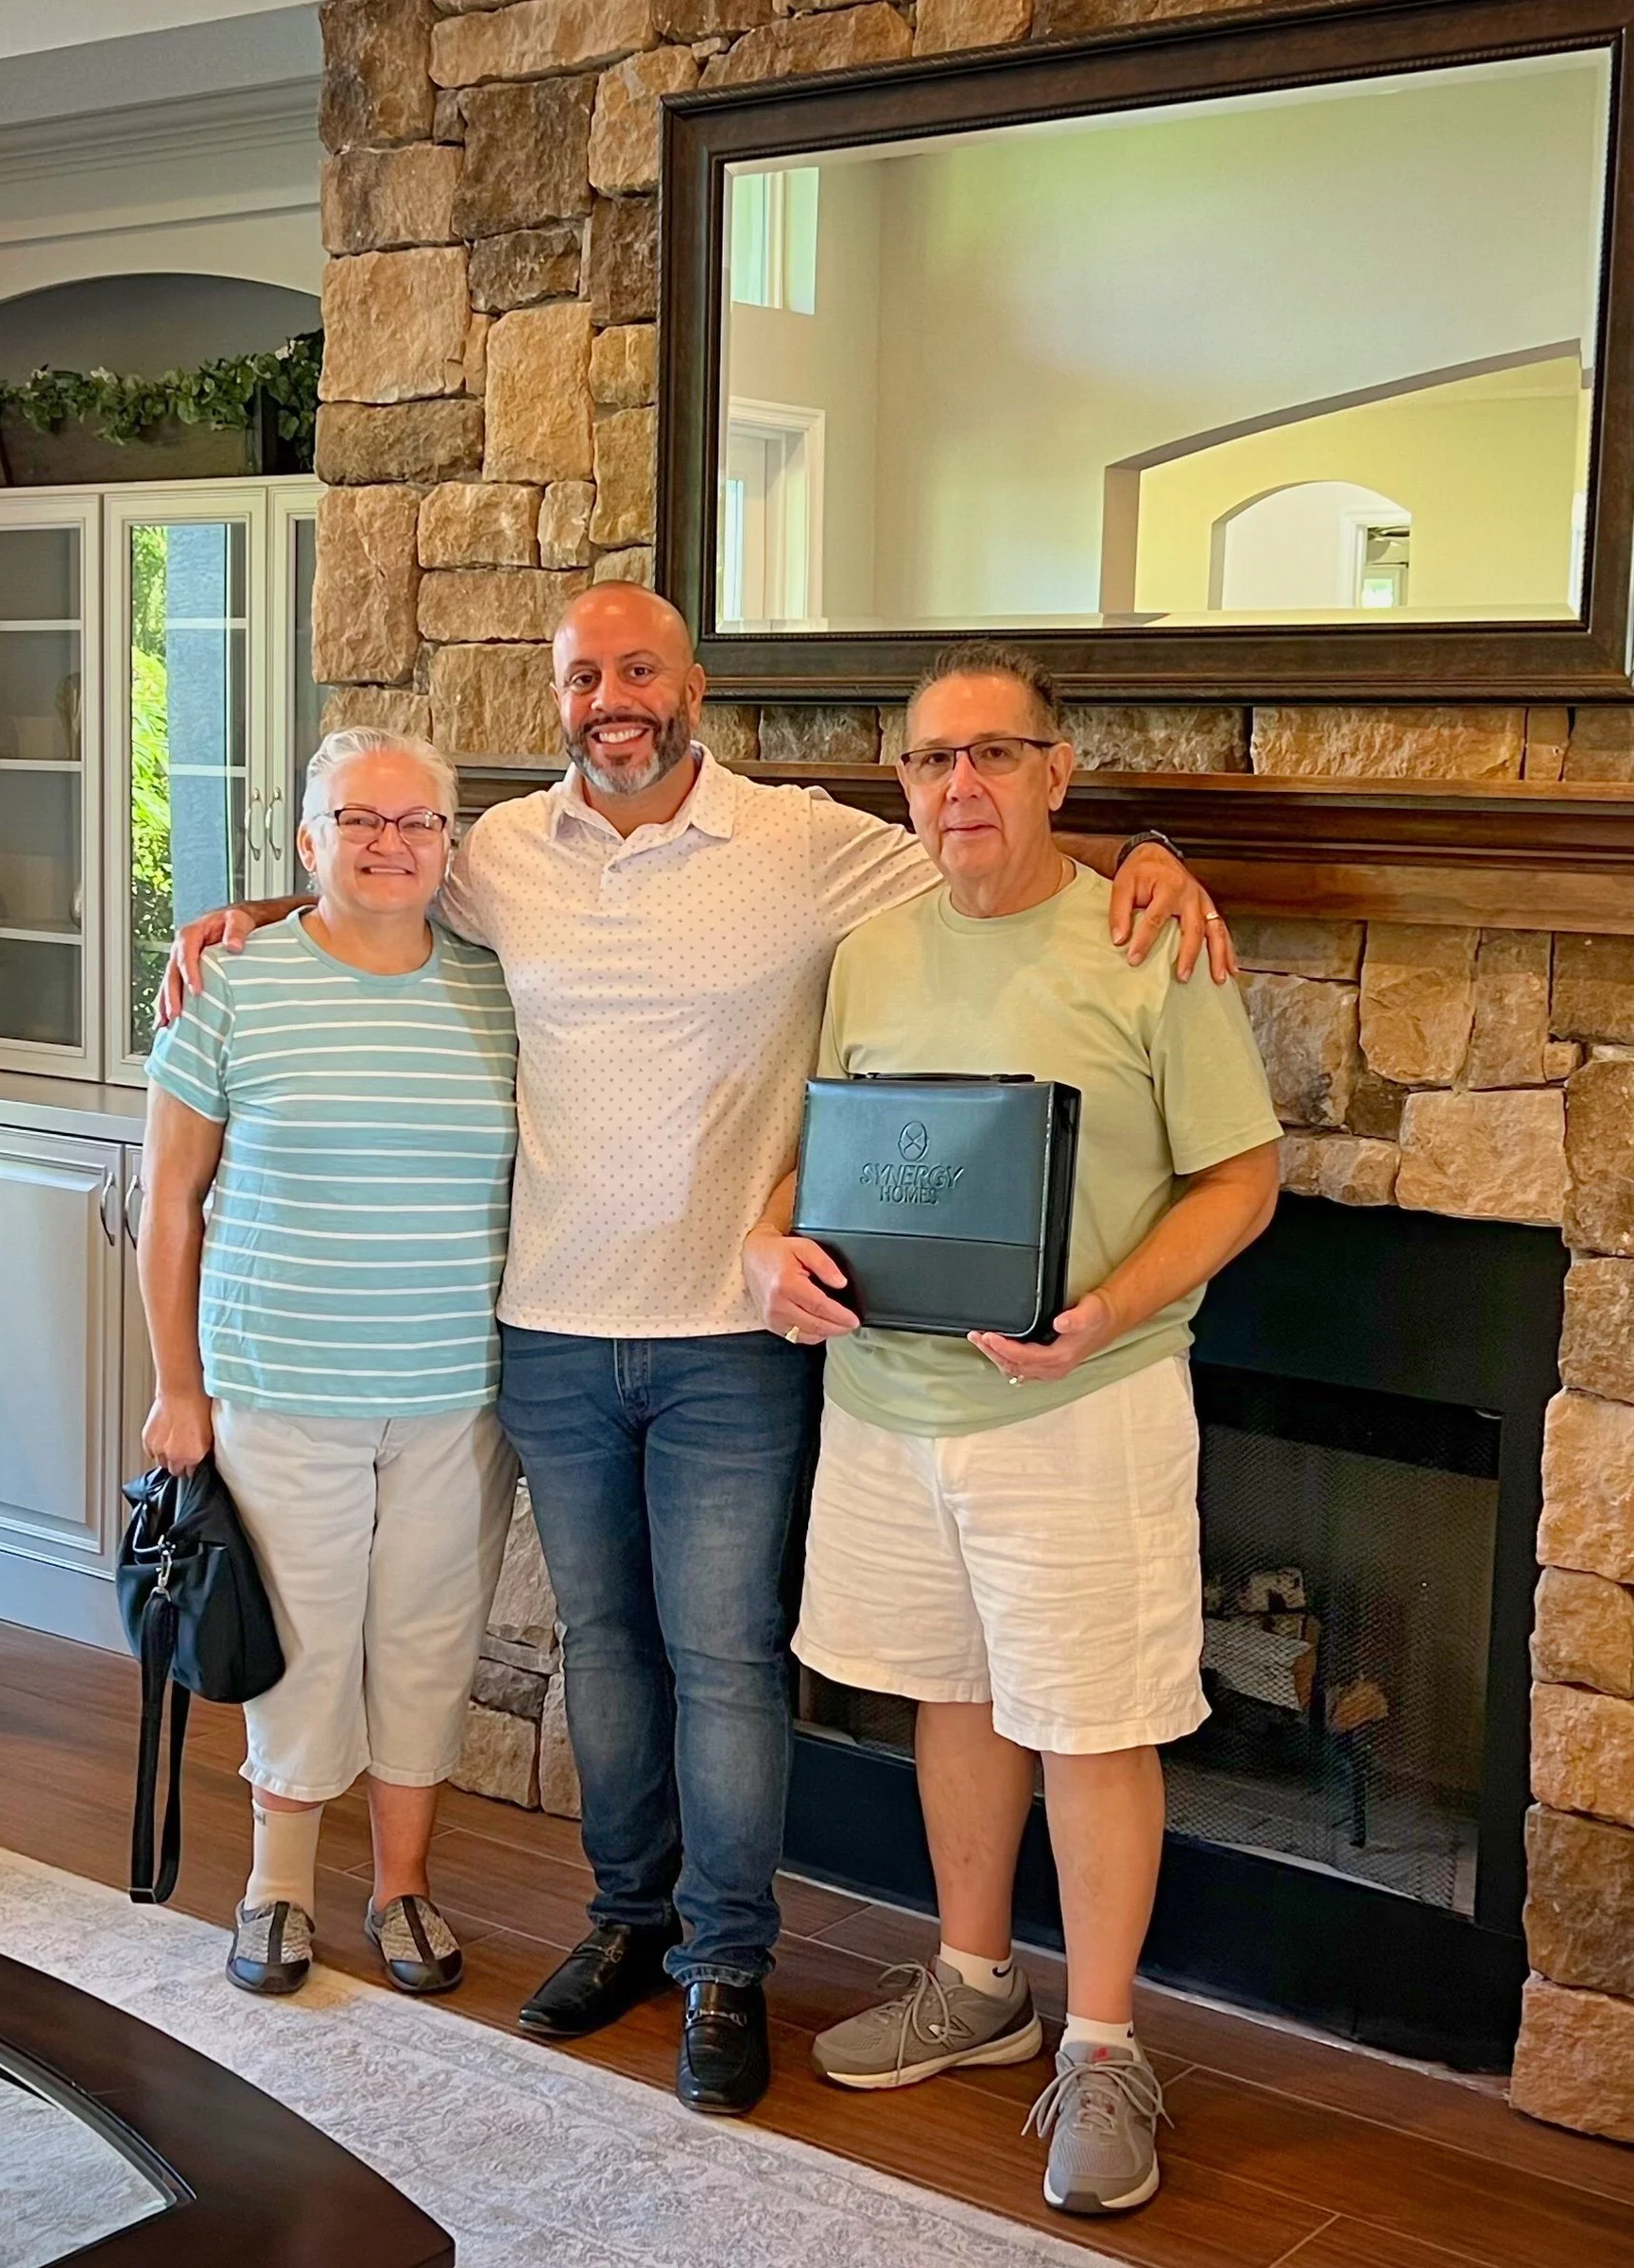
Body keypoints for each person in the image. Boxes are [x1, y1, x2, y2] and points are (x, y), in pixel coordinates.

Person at [158, 584, 1231, 2113]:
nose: (612, 697)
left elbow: (991, 853)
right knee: (605, 1652)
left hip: (735, 1338)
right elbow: (373, 881)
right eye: (582, 674)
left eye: (639, 669)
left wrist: (1153, 852)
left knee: (725, 1662)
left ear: (694, 688)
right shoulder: (498, 854)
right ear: (557, 699)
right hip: (549, 1328)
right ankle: (626, 1923)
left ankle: (726, 1963)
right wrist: (249, 917)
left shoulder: (807, 843)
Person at [743, 641, 1281, 2213]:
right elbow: (823, 1155)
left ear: (1057, 771)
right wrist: (766, 1246)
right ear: (901, 785)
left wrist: (1105, 1312)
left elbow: (1240, 1178)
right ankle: (975, 1985)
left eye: (992, 754)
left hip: (1082, 1409)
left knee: (1093, 1722)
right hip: (885, 1405)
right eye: (930, 760)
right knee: (951, 1692)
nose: (959, 784)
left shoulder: (1146, 942)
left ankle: (1103, 2051)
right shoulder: (871, 952)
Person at [138, 727, 519, 2001]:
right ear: (309, 841)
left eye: (416, 822)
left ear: (449, 846)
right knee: (299, 1651)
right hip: (281, 1385)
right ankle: (277, 1890)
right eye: (358, 819)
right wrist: (178, 1387)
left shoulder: (498, 992)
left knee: (426, 1648)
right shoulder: (232, 984)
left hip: (457, 1393)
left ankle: (403, 1888)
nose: (388, 843)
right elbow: (171, 1203)